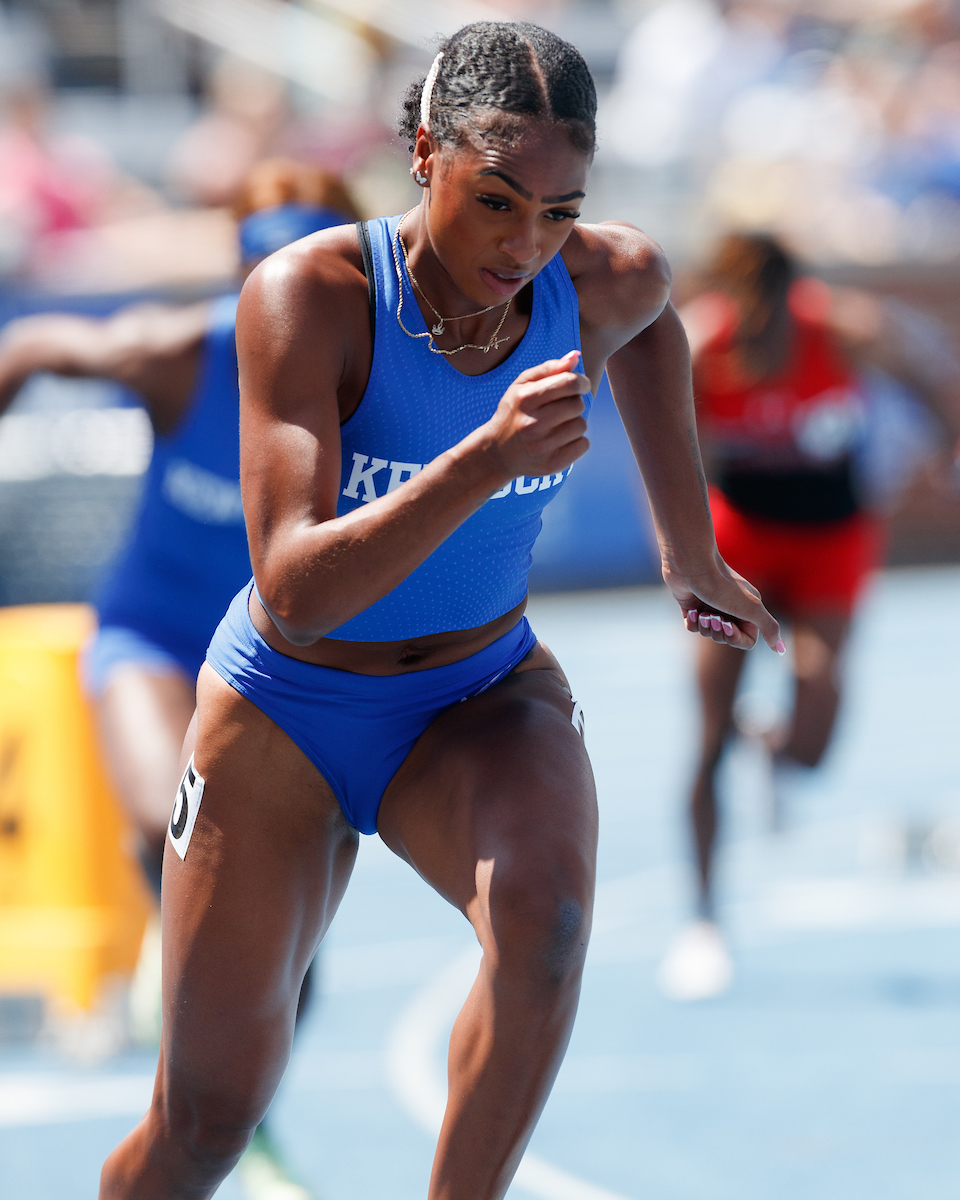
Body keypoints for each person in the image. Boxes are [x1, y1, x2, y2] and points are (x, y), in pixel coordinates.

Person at [99, 23, 782, 1200]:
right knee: (206, 1125)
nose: (525, 246)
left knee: (547, 921)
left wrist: (689, 549)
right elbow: (295, 595)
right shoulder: (311, 296)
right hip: (283, 714)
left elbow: (652, 319)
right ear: (424, 153)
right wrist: (482, 460)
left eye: (560, 212)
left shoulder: (599, 281)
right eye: (497, 201)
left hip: (477, 696)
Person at [0, 158, 360, 1200]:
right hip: (154, 641)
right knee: (186, 826)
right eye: (261, 274)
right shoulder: (179, 355)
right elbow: (30, 346)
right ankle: (164, 896)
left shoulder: (388, 383)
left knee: (290, 949)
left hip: (288, 667)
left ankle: (251, 1121)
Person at [658, 232, 960, 1002]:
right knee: (709, 734)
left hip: (830, 537)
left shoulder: (845, 328)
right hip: (740, 543)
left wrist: (946, 447)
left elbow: (928, 374)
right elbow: (661, 451)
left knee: (818, 723)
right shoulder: (701, 344)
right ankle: (704, 919)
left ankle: (778, 746)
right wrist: (683, 553)